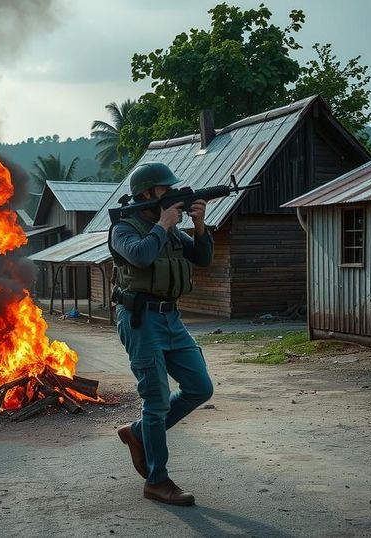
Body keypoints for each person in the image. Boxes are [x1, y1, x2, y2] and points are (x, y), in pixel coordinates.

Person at [108, 161, 214, 506]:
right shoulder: (124, 228)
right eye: (165, 190)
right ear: (147, 194)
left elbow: (203, 257)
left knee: (200, 387)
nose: (172, 195)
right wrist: (164, 224)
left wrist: (198, 225)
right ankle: (157, 480)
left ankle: (138, 434)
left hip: (172, 319)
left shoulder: (172, 230)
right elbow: (139, 257)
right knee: (155, 403)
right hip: (141, 320)